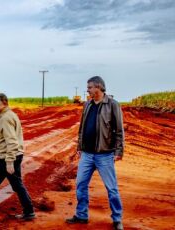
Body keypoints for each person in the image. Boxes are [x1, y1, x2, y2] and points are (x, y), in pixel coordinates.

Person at [66, 76, 124, 230]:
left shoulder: (112, 105)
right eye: (88, 87)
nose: (88, 90)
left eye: (90, 87)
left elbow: (119, 131)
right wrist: (79, 146)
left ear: (99, 87)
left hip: (104, 154)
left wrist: (119, 150)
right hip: (86, 154)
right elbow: (82, 128)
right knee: (80, 185)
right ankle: (81, 215)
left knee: (111, 188)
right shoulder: (87, 105)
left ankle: (117, 219)